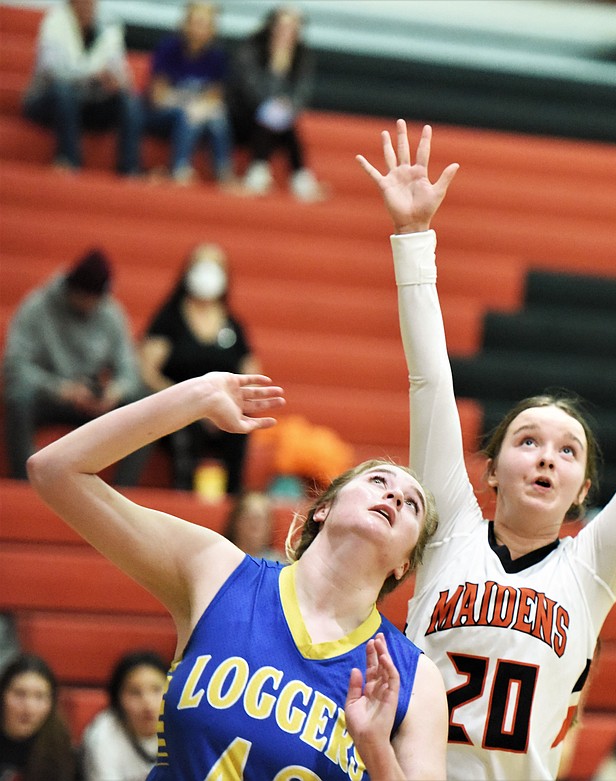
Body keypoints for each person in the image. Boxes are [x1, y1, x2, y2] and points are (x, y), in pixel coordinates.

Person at [358, 119, 616, 779]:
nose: (547, 456)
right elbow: (429, 379)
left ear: (583, 490)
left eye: (567, 450)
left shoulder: (593, 567)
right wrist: (412, 237)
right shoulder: (450, 527)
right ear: (490, 470)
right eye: (527, 441)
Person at [24, 373, 449, 778]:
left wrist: (376, 750)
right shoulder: (217, 569)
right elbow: (55, 470)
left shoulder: (415, 679)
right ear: (324, 508)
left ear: (404, 565)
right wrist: (195, 397)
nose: (394, 495)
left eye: (412, 504)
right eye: (377, 480)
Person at [3, 247, 148, 485]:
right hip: (51, 396)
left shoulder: (110, 314)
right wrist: (61, 389)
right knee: (18, 398)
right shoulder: (37, 307)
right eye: (84, 297)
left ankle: (123, 491)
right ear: (72, 288)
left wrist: (114, 392)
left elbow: (129, 370)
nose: (89, 304)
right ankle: (23, 482)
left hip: (93, 403)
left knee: (144, 403)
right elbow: (15, 366)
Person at [138, 243, 259, 494]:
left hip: (220, 408)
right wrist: (191, 402)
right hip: (177, 408)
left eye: (215, 266)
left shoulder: (233, 324)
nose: (208, 272)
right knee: (188, 428)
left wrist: (226, 403)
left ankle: (232, 497)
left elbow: (251, 371)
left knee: (241, 425)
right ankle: (183, 496)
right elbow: (147, 371)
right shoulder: (169, 319)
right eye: (201, 265)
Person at [21, 0, 142, 176]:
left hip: (88, 103)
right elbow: (51, 70)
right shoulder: (54, 22)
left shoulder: (108, 26)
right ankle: (69, 161)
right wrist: (89, 75)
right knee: (64, 92)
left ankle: (130, 169)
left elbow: (122, 72)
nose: (87, 7)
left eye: (91, 3)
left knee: (127, 99)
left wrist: (115, 80)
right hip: (49, 101)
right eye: (83, 3)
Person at [227, 5, 323, 202]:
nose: (286, 33)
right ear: (271, 26)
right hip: (244, 116)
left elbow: (302, 93)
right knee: (271, 116)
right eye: (282, 27)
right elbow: (249, 89)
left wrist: (287, 105)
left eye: (292, 28)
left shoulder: (302, 56)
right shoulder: (252, 49)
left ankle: (265, 169)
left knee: (282, 121)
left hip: (279, 120)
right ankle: (296, 174)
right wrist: (276, 70)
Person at [142, 1, 232, 185]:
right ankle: (179, 168)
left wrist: (200, 107)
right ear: (185, 23)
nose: (200, 29)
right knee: (189, 115)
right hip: (162, 114)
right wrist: (190, 104)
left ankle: (223, 175)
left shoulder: (217, 57)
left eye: (206, 24)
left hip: (198, 115)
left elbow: (215, 96)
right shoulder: (169, 49)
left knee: (217, 118)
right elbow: (158, 96)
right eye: (196, 22)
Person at [79, 650, 168, 780]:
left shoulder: (186, 727)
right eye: (135, 692)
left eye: (156, 689)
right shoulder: (103, 734)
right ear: (118, 699)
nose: (147, 702)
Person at [0, 654, 75, 781]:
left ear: (51, 703)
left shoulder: (61, 749)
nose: (29, 708)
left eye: (39, 696)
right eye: (19, 694)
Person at [222, 489, 283, 561]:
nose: (255, 525)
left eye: (261, 519)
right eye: (250, 518)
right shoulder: (221, 558)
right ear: (236, 522)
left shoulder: (279, 564)